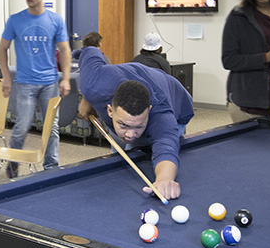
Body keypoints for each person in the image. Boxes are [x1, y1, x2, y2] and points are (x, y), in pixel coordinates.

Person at [77, 46, 194, 200]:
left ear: (149, 110)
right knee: (120, 159)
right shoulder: (92, 82)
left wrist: (165, 179)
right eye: (124, 125)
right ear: (110, 110)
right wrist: (88, 98)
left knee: (137, 151)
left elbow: (166, 147)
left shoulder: (160, 115)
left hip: (176, 99)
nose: (130, 134)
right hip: (123, 80)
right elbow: (90, 50)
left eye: (138, 126)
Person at [0, 0, 71, 178]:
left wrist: (65, 78)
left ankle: (51, 167)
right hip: (24, 83)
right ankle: (14, 163)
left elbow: (65, 50)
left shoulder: (55, 20)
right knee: (21, 126)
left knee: (52, 127)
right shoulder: (15, 20)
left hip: (49, 82)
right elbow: (2, 49)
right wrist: (6, 77)